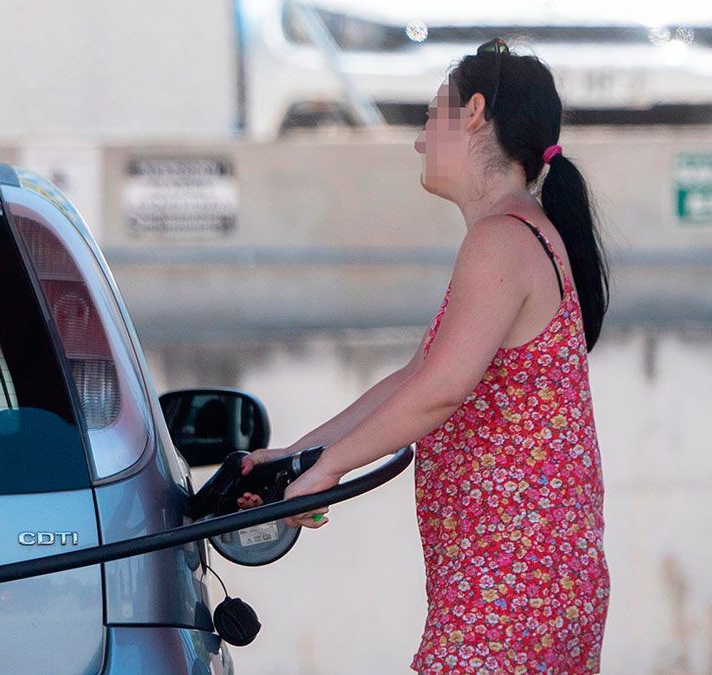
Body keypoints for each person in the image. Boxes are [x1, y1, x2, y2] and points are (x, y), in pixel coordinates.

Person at [236, 38, 611, 673]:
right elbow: (415, 380)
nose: (417, 140)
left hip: (509, 591)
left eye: (431, 114)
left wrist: (326, 472)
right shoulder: (518, 233)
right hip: (531, 584)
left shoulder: (501, 240)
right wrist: (298, 456)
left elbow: (441, 390)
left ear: (473, 113)